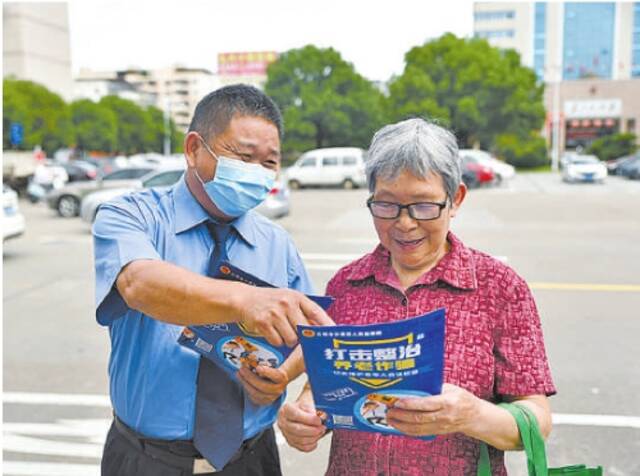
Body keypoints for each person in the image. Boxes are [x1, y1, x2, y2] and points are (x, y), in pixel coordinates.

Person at [277, 118, 556, 475]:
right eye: (386, 205)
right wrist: (302, 417)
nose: (404, 224)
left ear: (455, 199)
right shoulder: (346, 285)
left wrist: (471, 413)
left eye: (424, 206)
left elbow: (537, 421)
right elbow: (323, 388)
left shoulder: (499, 288)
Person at [93, 84, 332, 476]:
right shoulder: (131, 216)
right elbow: (140, 284)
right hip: (146, 459)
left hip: (251, 458)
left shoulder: (276, 243)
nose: (257, 172)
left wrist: (281, 379)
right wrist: (245, 301)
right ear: (193, 149)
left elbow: (309, 335)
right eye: (244, 156)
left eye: (270, 162)